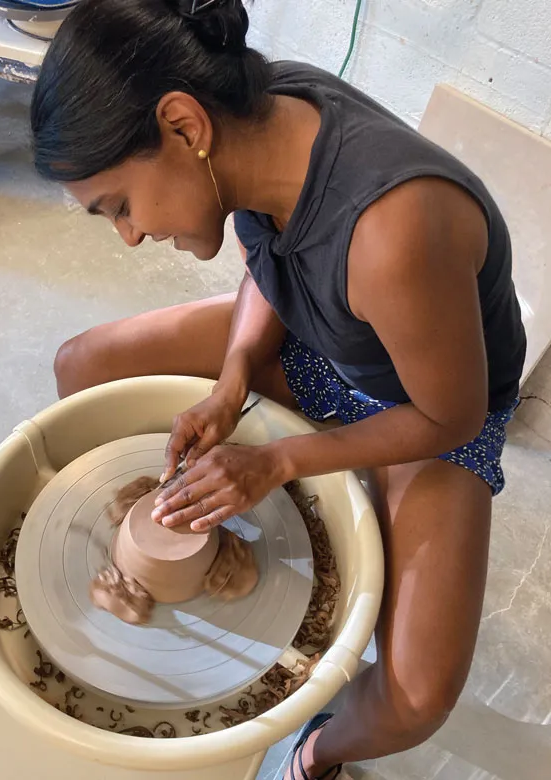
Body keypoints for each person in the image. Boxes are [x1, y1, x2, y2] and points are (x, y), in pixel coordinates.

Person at [30, 1, 526, 777]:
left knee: (414, 694)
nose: (127, 236)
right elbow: (271, 254)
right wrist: (231, 382)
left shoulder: (395, 230)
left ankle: (316, 755)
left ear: (184, 128)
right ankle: (135, 553)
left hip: (424, 402)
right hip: (326, 337)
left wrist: (280, 460)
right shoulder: (264, 114)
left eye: (120, 207)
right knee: (82, 365)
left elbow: (451, 412)